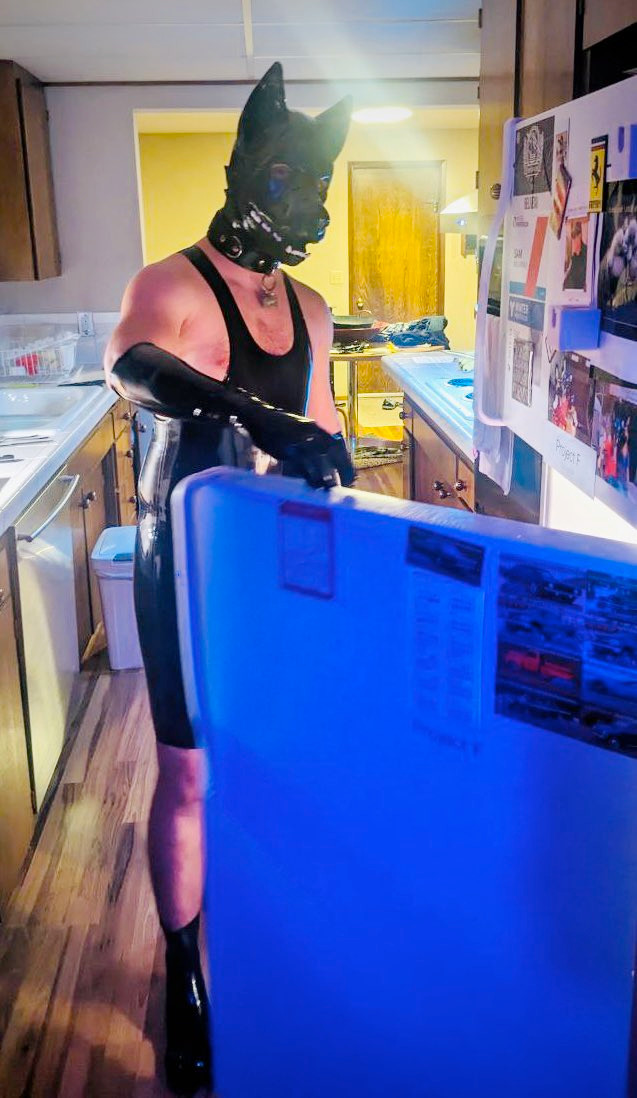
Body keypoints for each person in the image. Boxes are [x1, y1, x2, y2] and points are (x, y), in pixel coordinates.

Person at [103, 63, 353, 1094]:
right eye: (290, 174)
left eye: (317, 180)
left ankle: (269, 938)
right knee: (192, 771)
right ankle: (183, 970)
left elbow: (326, 426)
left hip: (282, 569)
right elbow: (129, 363)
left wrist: (355, 503)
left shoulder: (313, 306)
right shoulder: (168, 285)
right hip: (187, 552)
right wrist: (252, 415)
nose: (306, 200)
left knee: (281, 763)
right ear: (246, 163)